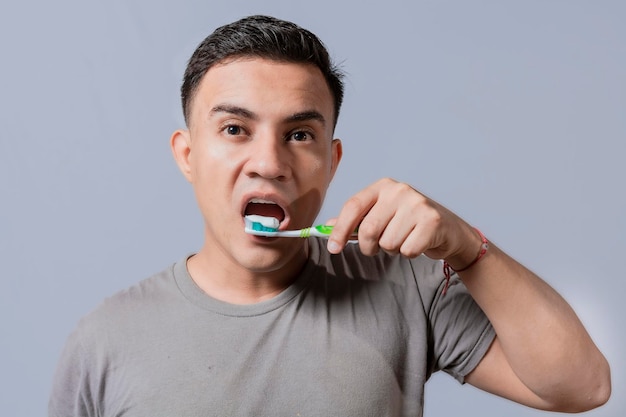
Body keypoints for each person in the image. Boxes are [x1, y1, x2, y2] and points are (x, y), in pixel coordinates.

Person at [48, 15, 611, 417]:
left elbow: (581, 387)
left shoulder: (404, 286)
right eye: (234, 129)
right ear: (187, 155)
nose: (268, 163)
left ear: (331, 161)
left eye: (299, 134)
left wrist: (465, 247)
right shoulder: (104, 342)